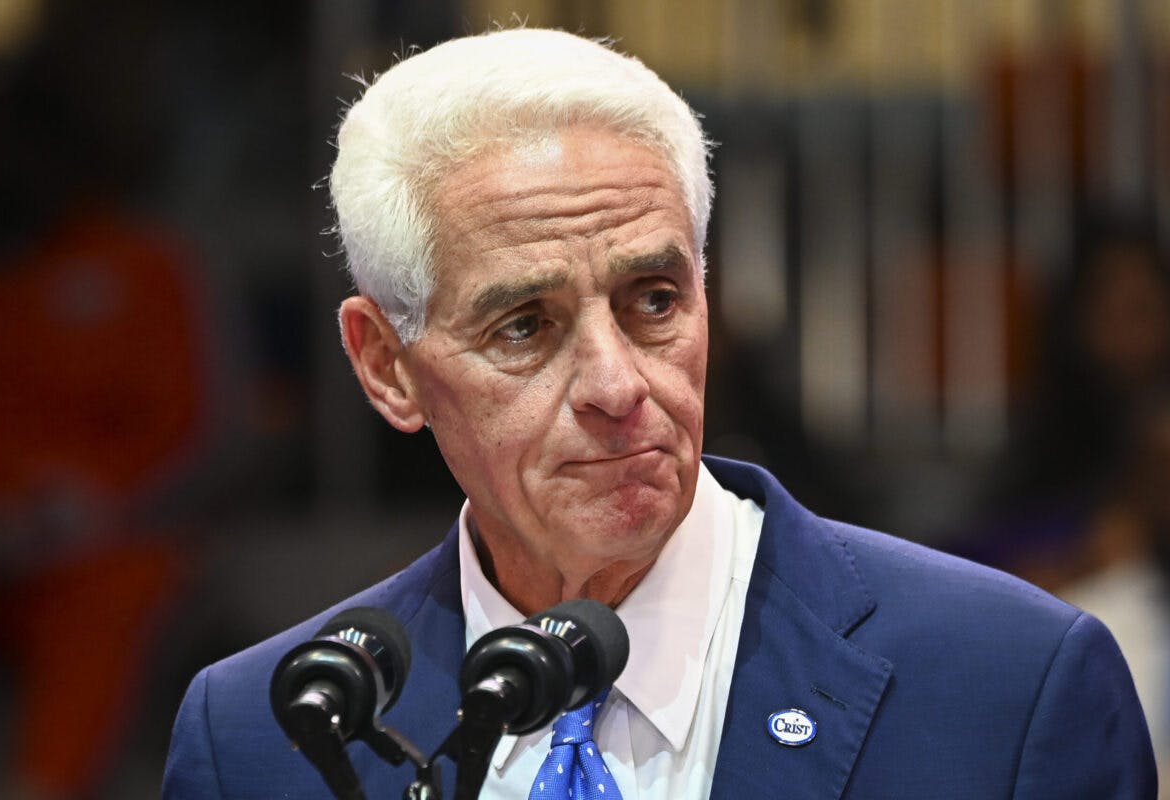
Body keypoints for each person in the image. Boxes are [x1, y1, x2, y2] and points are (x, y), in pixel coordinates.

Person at [163, 29, 1156, 798]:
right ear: (388, 368)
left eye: (653, 301)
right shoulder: (263, 739)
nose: (618, 384)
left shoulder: (1009, 686)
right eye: (525, 325)